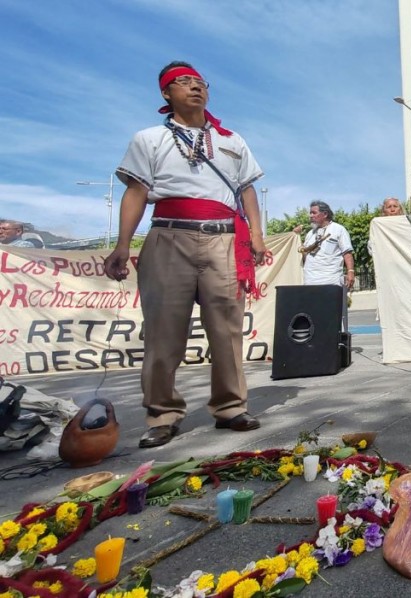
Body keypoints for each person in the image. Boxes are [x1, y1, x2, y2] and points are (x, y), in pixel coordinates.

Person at [103, 60, 267, 448]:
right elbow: (137, 192)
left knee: (226, 329)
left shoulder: (232, 140)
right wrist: (123, 244)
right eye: (183, 82)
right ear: (165, 93)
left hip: (224, 239)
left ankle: (230, 407)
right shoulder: (148, 139)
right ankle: (162, 414)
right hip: (168, 238)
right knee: (163, 331)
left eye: (200, 82)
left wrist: (256, 237)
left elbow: (247, 190)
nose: (195, 87)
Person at [296, 201, 355, 288]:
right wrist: (296, 237)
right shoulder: (310, 234)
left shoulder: (338, 229)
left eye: (314, 213)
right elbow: (305, 255)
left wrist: (350, 271)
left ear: (325, 214)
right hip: (310, 282)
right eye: (310, 213)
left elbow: (347, 253)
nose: (311, 216)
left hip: (331, 281)